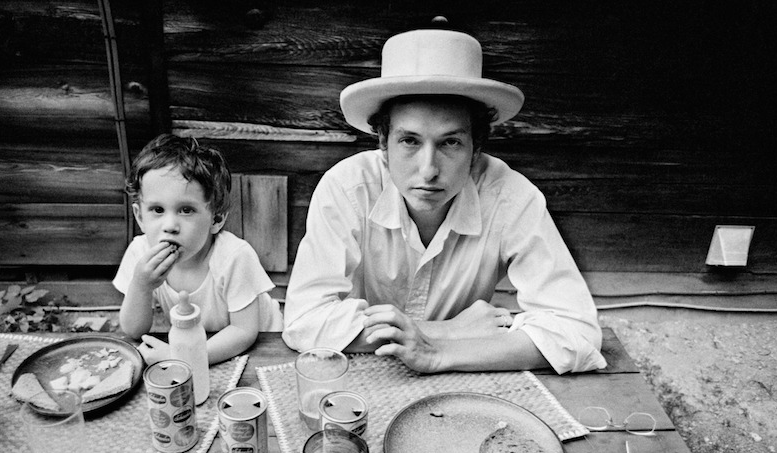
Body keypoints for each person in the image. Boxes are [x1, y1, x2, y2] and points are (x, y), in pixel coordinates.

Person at [282, 28, 606, 374]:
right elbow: (304, 321)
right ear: (382, 145)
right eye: (409, 141)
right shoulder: (347, 188)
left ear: (476, 148)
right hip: (362, 370)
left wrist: (440, 354)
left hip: (463, 370)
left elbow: (578, 332)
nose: (429, 170)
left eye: (450, 143)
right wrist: (449, 331)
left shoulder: (511, 196)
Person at [114, 134, 283, 365]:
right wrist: (141, 286)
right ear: (139, 216)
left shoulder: (234, 256)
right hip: (202, 345)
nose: (170, 226)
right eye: (157, 209)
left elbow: (243, 331)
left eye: (186, 210)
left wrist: (184, 358)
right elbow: (134, 331)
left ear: (216, 219)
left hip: (264, 346)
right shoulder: (140, 253)